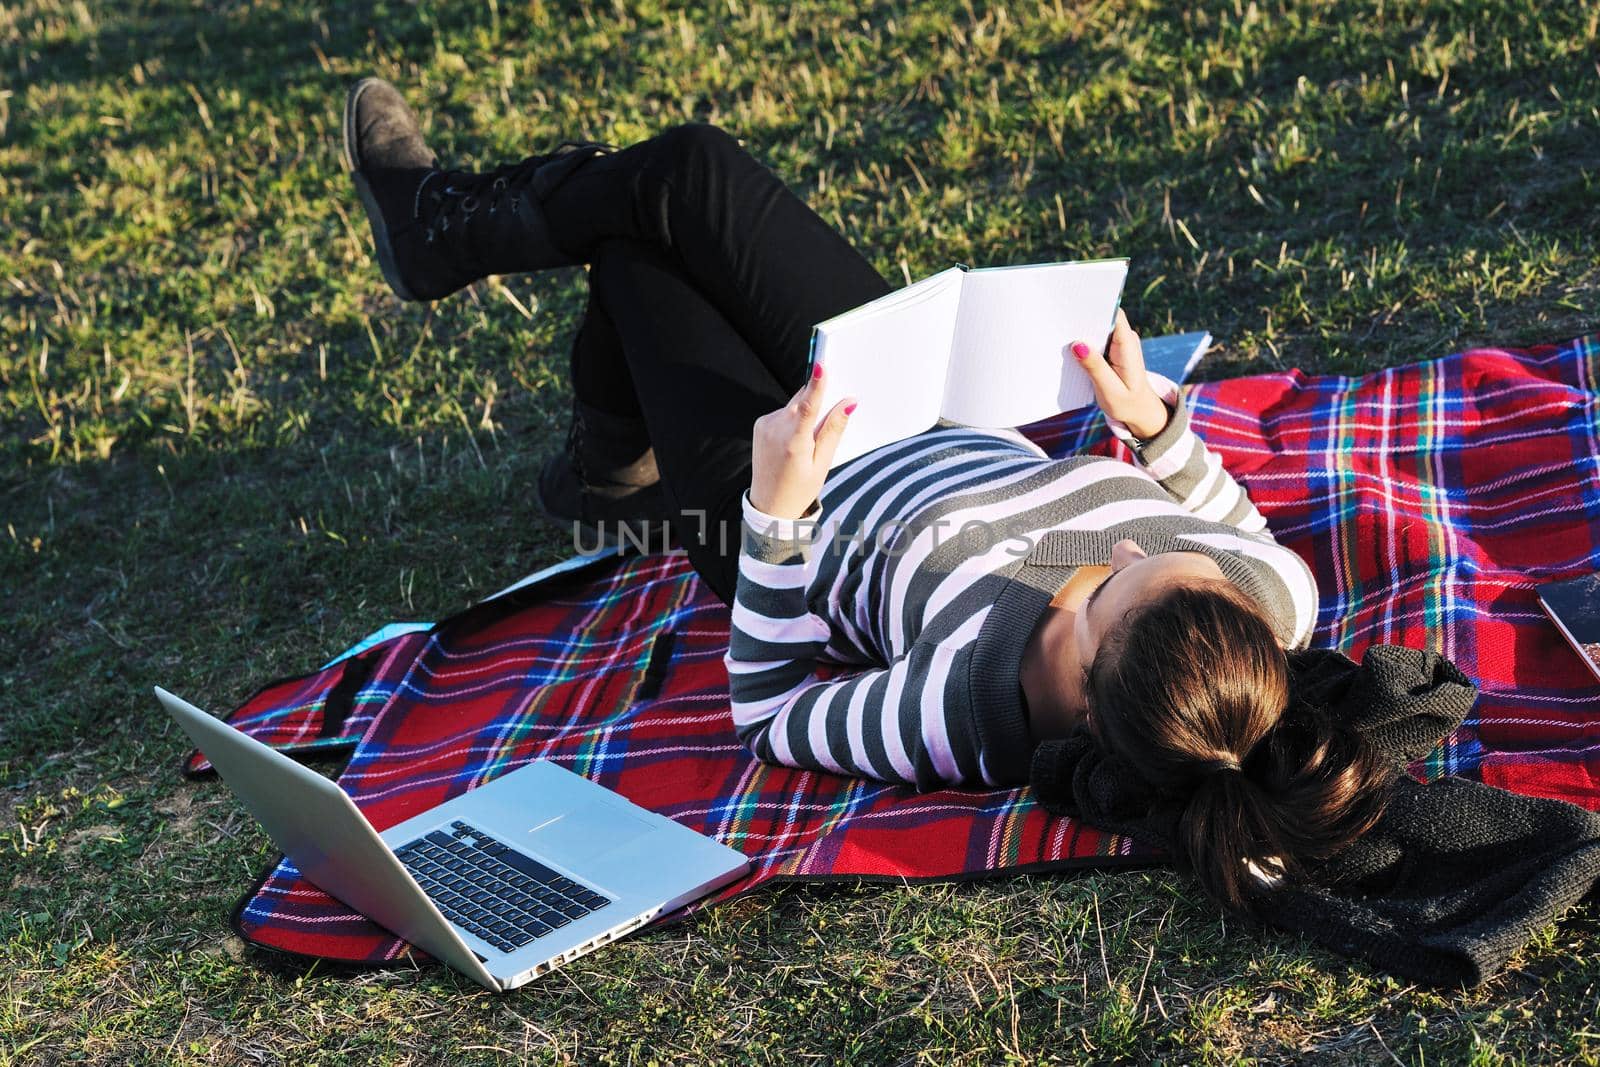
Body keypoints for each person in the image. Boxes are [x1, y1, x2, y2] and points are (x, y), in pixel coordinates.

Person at [341, 78, 1395, 912]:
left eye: (1106, 590)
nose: (1121, 549)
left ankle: (602, 439)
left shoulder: (966, 706)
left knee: (634, 261)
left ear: (1082, 684)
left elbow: (769, 710)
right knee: (687, 173)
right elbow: (1229, 517)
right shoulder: (1267, 597)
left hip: (786, 506)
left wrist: (777, 513)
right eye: (1174, 555)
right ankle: (554, 385)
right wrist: (1159, 431)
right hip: (914, 407)